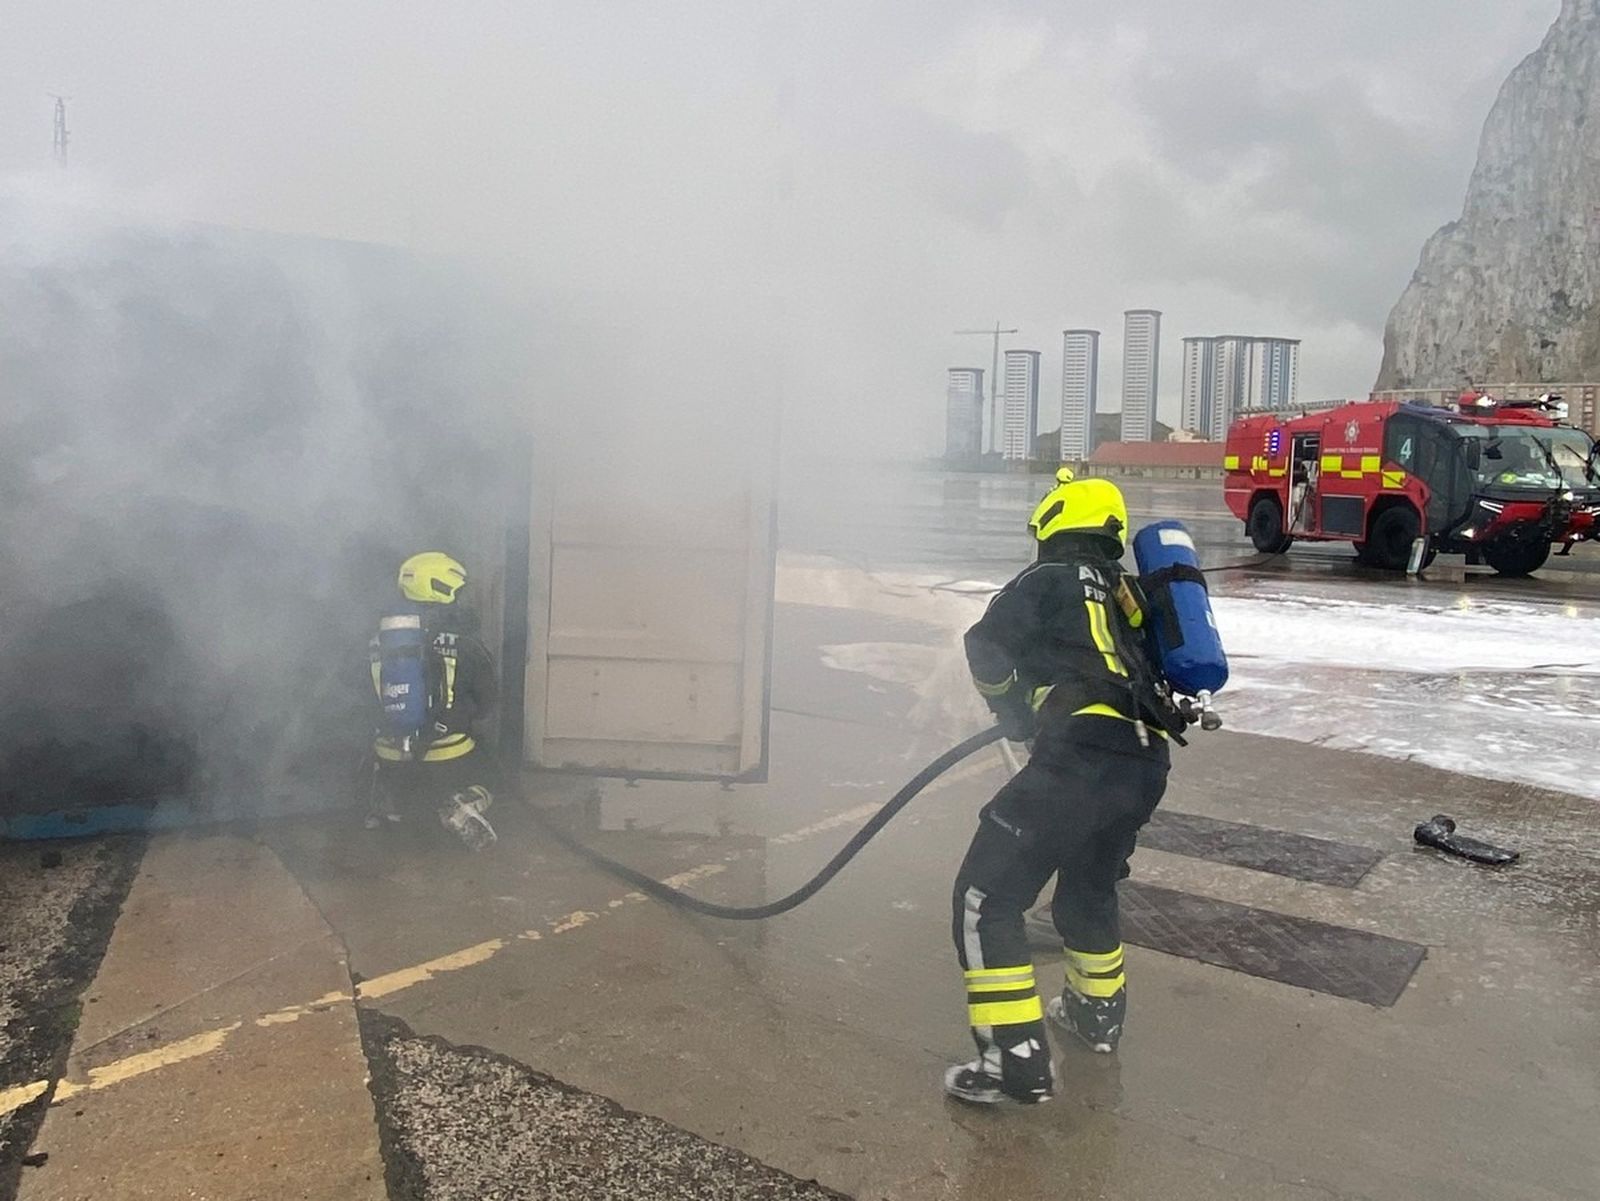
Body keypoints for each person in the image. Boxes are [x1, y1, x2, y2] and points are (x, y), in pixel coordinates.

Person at [944, 470, 1187, 1106]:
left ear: (1056, 520)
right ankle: (1095, 1016)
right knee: (1086, 890)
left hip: (1079, 757)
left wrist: (1012, 711)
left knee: (984, 899)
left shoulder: (1045, 578)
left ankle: (1014, 1064)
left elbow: (987, 647)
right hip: (1143, 763)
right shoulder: (1130, 594)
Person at [367, 551, 500, 850]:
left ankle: (386, 801)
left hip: (389, 755)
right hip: (447, 758)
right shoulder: (464, 643)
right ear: (444, 589)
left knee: (397, 778)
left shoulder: (379, 640)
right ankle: (461, 804)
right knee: (492, 773)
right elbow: (487, 702)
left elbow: (358, 700)